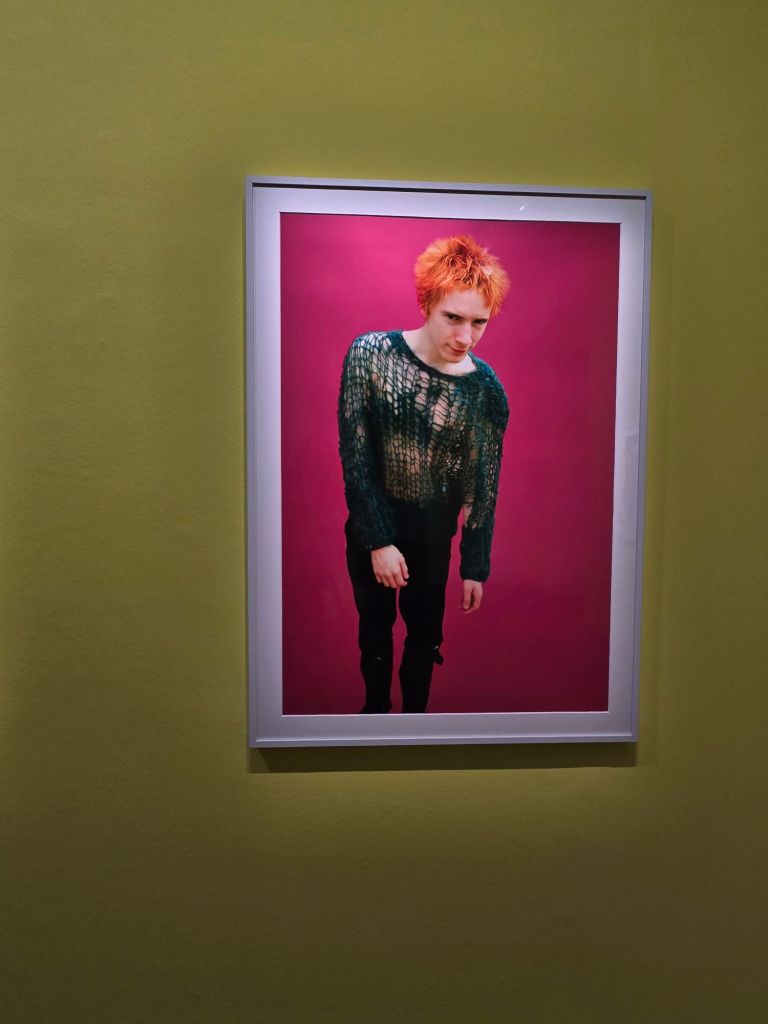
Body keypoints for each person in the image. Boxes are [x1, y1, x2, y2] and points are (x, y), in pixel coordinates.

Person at [338, 235, 510, 714]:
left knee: (424, 640)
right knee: (374, 635)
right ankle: (374, 722)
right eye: (453, 318)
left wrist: (474, 567)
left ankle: (414, 731)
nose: (465, 337)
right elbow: (356, 455)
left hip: (434, 540)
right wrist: (378, 541)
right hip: (372, 527)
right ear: (426, 304)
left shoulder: (486, 391)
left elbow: (482, 487)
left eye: (479, 322)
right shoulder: (370, 355)